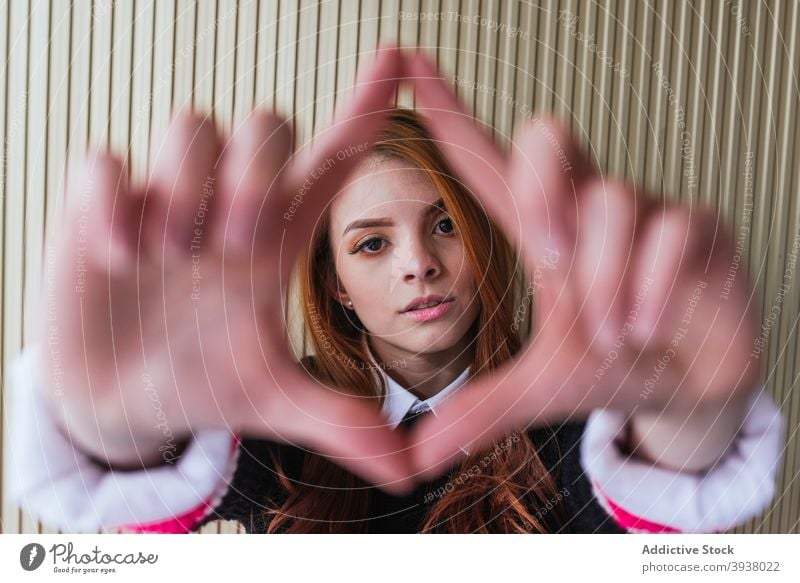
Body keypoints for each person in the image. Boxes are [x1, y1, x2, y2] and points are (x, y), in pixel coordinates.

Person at [6, 49, 783, 533]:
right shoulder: (276, 421)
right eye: (371, 243)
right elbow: (170, 476)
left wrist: (690, 415)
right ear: (337, 287)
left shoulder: (575, 422)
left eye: (444, 224)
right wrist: (122, 431)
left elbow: (648, 484)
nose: (418, 263)